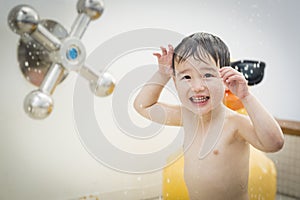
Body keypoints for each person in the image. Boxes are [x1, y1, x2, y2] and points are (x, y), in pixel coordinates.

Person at [133, 32, 284, 200]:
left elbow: (274, 143)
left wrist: (246, 97)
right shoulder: (187, 117)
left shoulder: (234, 124)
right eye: (187, 77)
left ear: (225, 79)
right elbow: (142, 106)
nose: (197, 86)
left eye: (207, 75)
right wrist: (162, 74)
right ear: (175, 82)